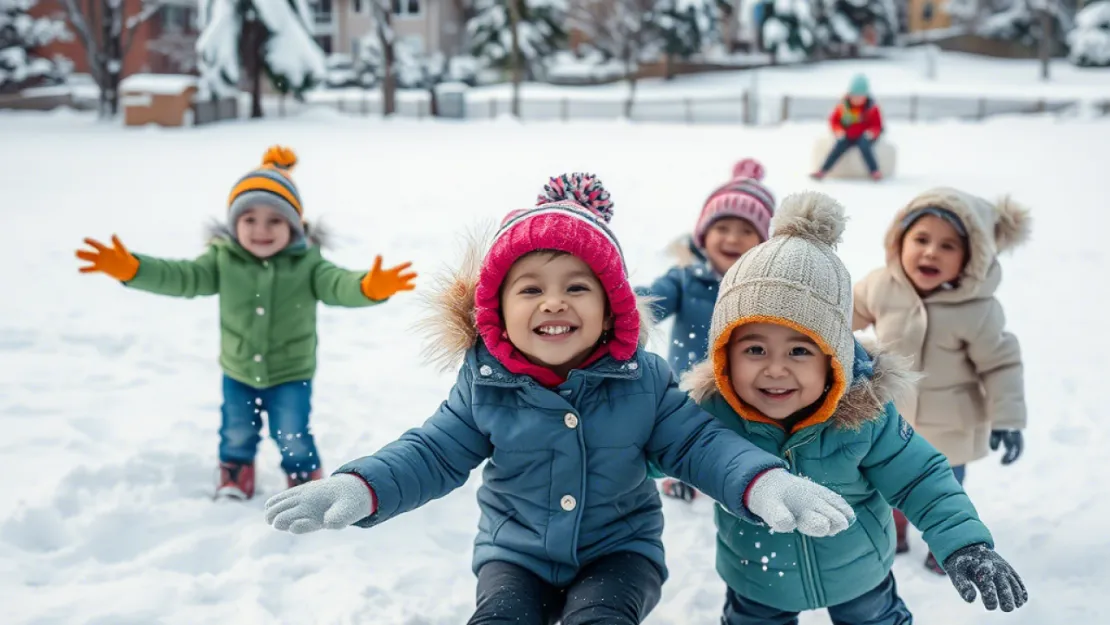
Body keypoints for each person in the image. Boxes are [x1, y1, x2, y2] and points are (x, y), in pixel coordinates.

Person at [263, 173, 855, 625]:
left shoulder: (643, 379)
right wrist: (361, 486)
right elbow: (431, 454)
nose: (553, 303)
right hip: (513, 555)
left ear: (610, 308)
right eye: (530, 289)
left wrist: (762, 482)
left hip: (620, 554)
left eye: (577, 287)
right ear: (497, 308)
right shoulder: (484, 381)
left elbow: (702, 445)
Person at [75, 146, 417, 499]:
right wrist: (136, 270)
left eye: (274, 220)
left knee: (293, 433)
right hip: (238, 371)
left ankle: (304, 480)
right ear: (233, 224)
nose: (261, 230)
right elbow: (182, 277)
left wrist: (368, 288)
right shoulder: (222, 260)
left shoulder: (308, 264)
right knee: (236, 430)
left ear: (295, 225)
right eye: (249, 219)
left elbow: (338, 285)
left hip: (290, 372)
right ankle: (236, 474)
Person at [853, 187, 1030, 573]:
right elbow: (843, 317)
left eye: (948, 246)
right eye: (921, 239)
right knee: (887, 478)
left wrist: (1008, 418)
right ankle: (893, 531)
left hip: (951, 425)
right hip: (892, 414)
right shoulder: (881, 285)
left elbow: (1001, 364)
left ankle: (945, 541)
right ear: (899, 241)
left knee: (944, 489)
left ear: (972, 258)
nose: (931, 252)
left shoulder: (978, 310)